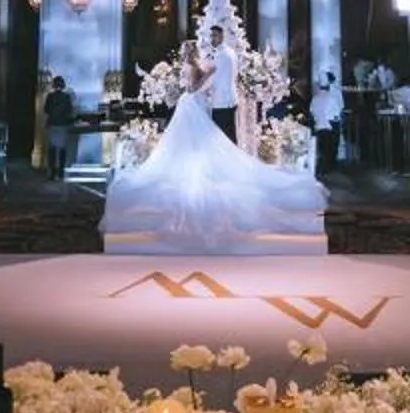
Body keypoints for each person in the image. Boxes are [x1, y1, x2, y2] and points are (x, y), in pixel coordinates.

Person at [100, 37, 328, 254]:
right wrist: (207, 74)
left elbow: (196, 85)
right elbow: (192, 87)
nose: (188, 54)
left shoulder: (195, 64)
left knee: (198, 139)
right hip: (191, 103)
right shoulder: (192, 67)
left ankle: (199, 167)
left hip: (194, 103)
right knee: (190, 139)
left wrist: (207, 75)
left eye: (188, 51)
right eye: (188, 52)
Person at [309, 71, 345, 176]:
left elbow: (312, 113)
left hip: (319, 128)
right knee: (331, 151)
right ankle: (329, 170)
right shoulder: (332, 98)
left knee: (323, 151)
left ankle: (323, 170)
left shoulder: (315, 99)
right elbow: (337, 114)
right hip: (330, 127)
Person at [42, 75, 76, 179]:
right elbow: (70, 111)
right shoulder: (66, 97)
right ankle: (61, 172)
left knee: (52, 149)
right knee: (62, 150)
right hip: (63, 125)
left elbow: (46, 110)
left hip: (52, 125)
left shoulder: (50, 96)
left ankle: (52, 173)